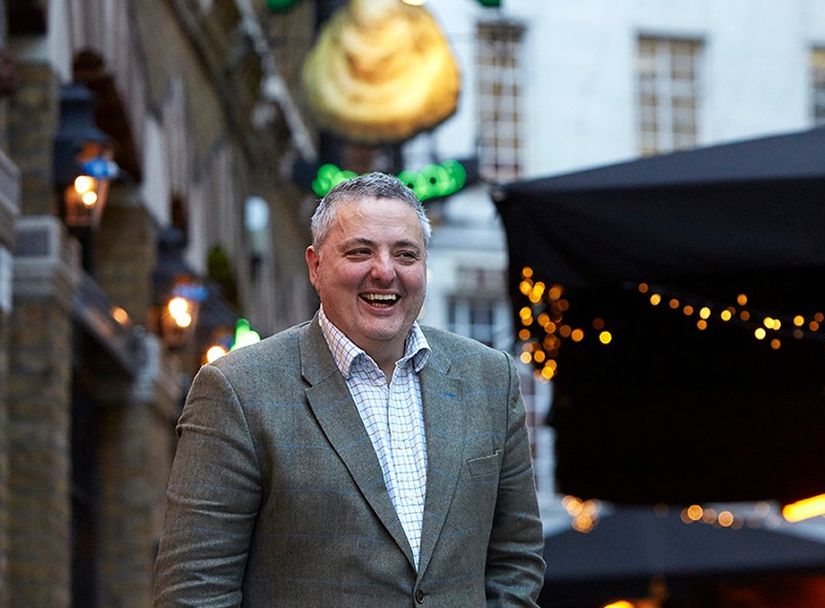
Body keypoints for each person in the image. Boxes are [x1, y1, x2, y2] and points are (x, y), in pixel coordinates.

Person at [154, 172, 544, 606]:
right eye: (360, 252)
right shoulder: (238, 390)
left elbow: (516, 559)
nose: (384, 271)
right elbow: (195, 591)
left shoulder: (489, 379)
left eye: (406, 254)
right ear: (315, 266)